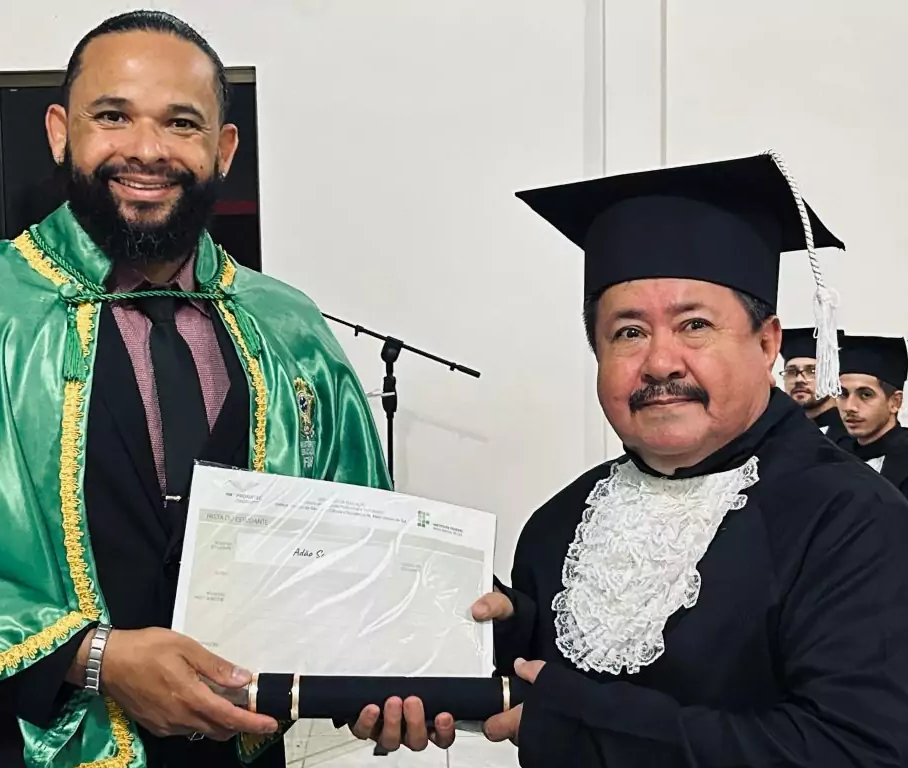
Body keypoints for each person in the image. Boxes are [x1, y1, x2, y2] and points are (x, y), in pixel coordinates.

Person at [0, 11, 390, 768]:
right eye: (113, 116)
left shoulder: (288, 326)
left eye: (181, 123)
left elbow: (362, 538)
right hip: (5, 744)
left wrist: (415, 658)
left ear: (223, 149)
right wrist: (94, 658)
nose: (148, 150)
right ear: (61, 132)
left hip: (232, 751)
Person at [355, 154, 908, 766]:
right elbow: (544, 677)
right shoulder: (560, 523)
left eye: (694, 325)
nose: (660, 363)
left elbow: (860, 751)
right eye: (629, 333)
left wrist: (584, 727)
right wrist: (484, 638)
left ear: (766, 343)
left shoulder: (854, 518)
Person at [836, 334, 908, 495]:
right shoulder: (835, 454)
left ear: (895, 402)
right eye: (843, 394)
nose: (850, 407)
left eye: (866, 395)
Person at [779, 326, 849, 439]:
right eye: (791, 372)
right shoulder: (778, 434)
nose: (799, 379)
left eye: (812, 371)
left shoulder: (852, 436)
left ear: (834, 377)